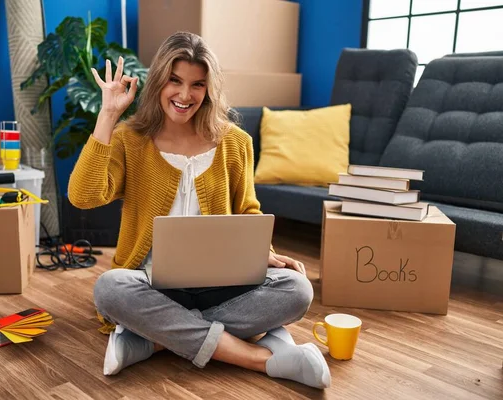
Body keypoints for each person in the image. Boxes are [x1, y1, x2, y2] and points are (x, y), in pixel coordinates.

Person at [68, 31, 331, 389]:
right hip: (151, 284)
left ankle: (152, 339)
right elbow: (83, 196)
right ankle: (261, 359)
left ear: (209, 89)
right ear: (159, 80)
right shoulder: (131, 139)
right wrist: (109, 114)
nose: (184, 95)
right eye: (174, 81)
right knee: (109, 288)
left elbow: (248, 211)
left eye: (197, 84)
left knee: (298, 290)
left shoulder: (235, 142)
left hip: (223, 283)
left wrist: (263, 254)